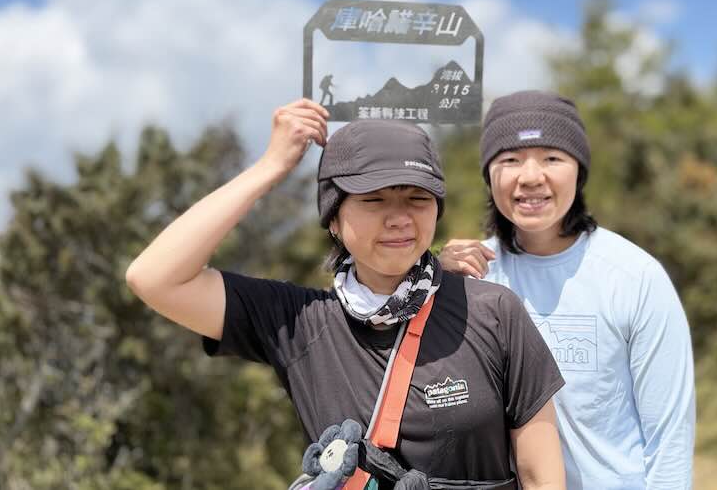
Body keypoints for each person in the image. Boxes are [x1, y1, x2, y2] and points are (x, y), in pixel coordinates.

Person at [126, 99, 566, 489]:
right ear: (333, 218)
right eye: (372, 200)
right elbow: (154, 277)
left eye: (417, 198)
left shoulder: (491, 311)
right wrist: (272, 166)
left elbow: (542, 476)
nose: (398, 218)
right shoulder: (299, 322)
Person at [440, 90, 696, 489]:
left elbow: (669, 437)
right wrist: (430, 275)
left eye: (552, 158)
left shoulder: (634, 277)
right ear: (489, 176)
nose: (530, 176)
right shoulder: (471, 275)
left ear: (579, 171)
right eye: (510, 159)